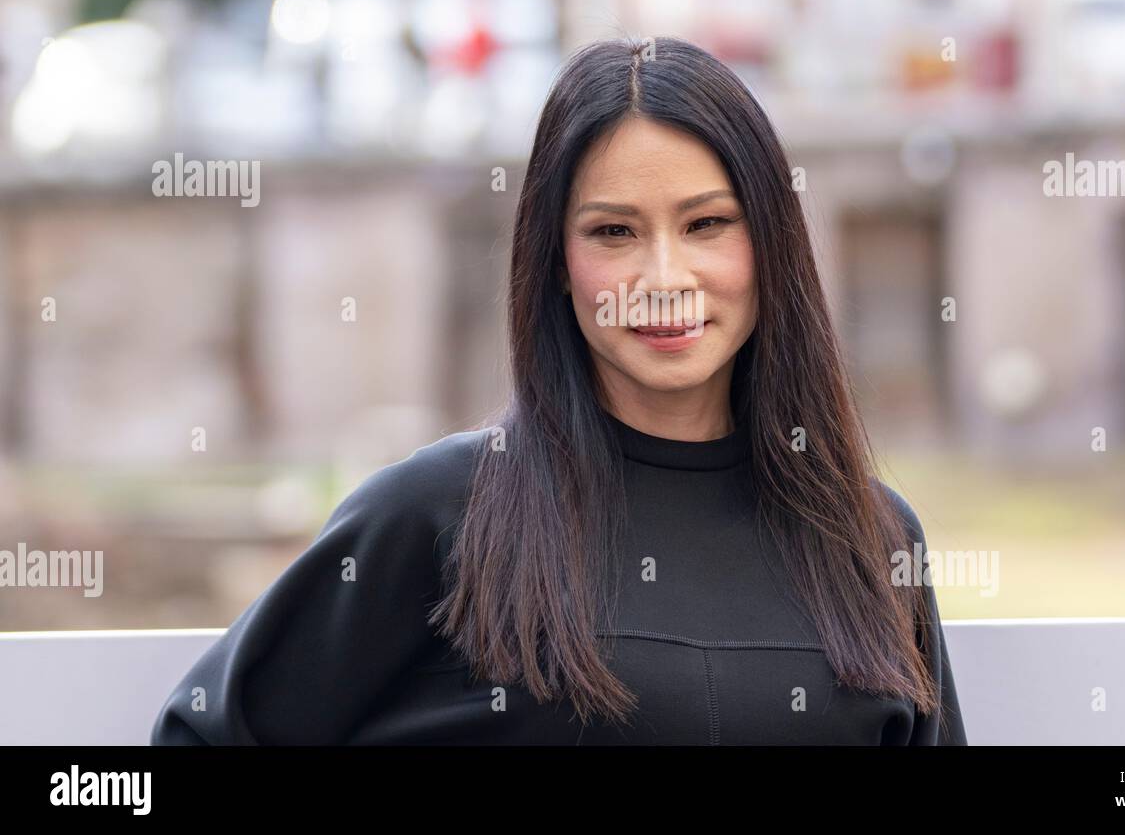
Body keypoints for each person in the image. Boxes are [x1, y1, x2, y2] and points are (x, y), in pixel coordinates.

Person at [150, 36, 967, 745]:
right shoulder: (436, 515)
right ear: (556, 265)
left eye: (707, 224)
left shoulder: (872, 540)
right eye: (614, 232)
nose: (663, 277)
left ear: (773, 245)